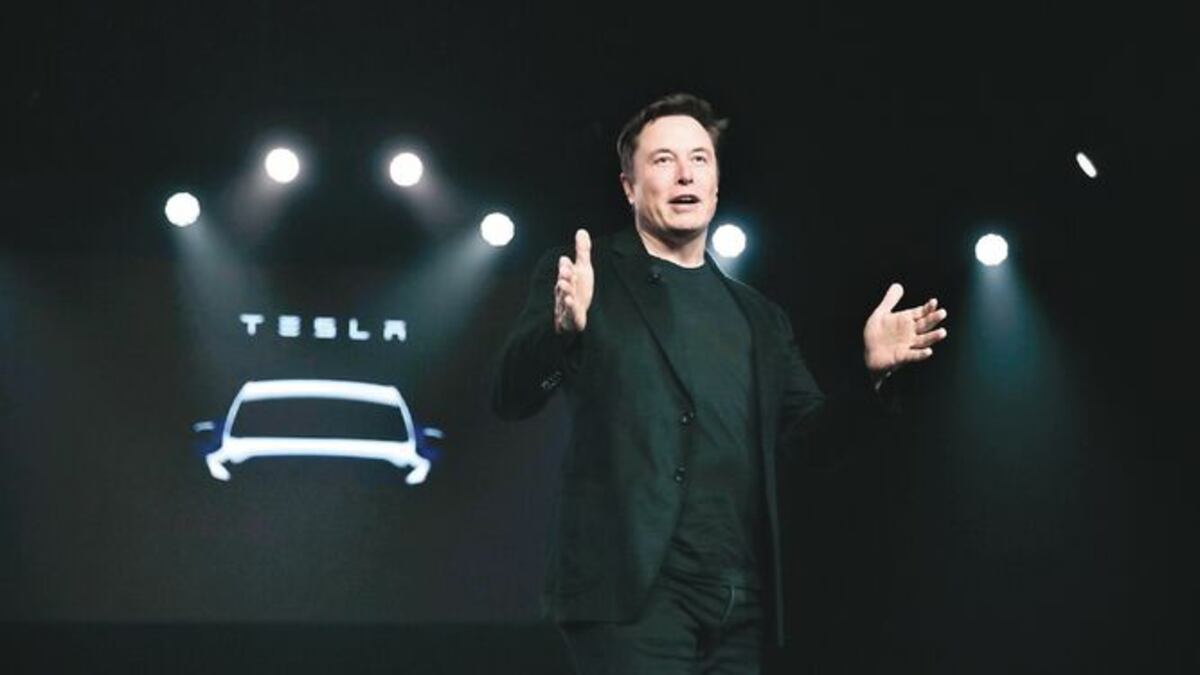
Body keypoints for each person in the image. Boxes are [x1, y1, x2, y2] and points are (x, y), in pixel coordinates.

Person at [492, 93, 948, 674]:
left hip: (737, 599)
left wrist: (871, 378)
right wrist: (562, 333)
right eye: (663, 160)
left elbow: (809, 440)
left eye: (699, 159)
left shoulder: (759, 316)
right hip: (631, 595)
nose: (684, 174)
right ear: (629, 186)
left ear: (715, 182)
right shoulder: (586, 274)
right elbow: (510, 396)